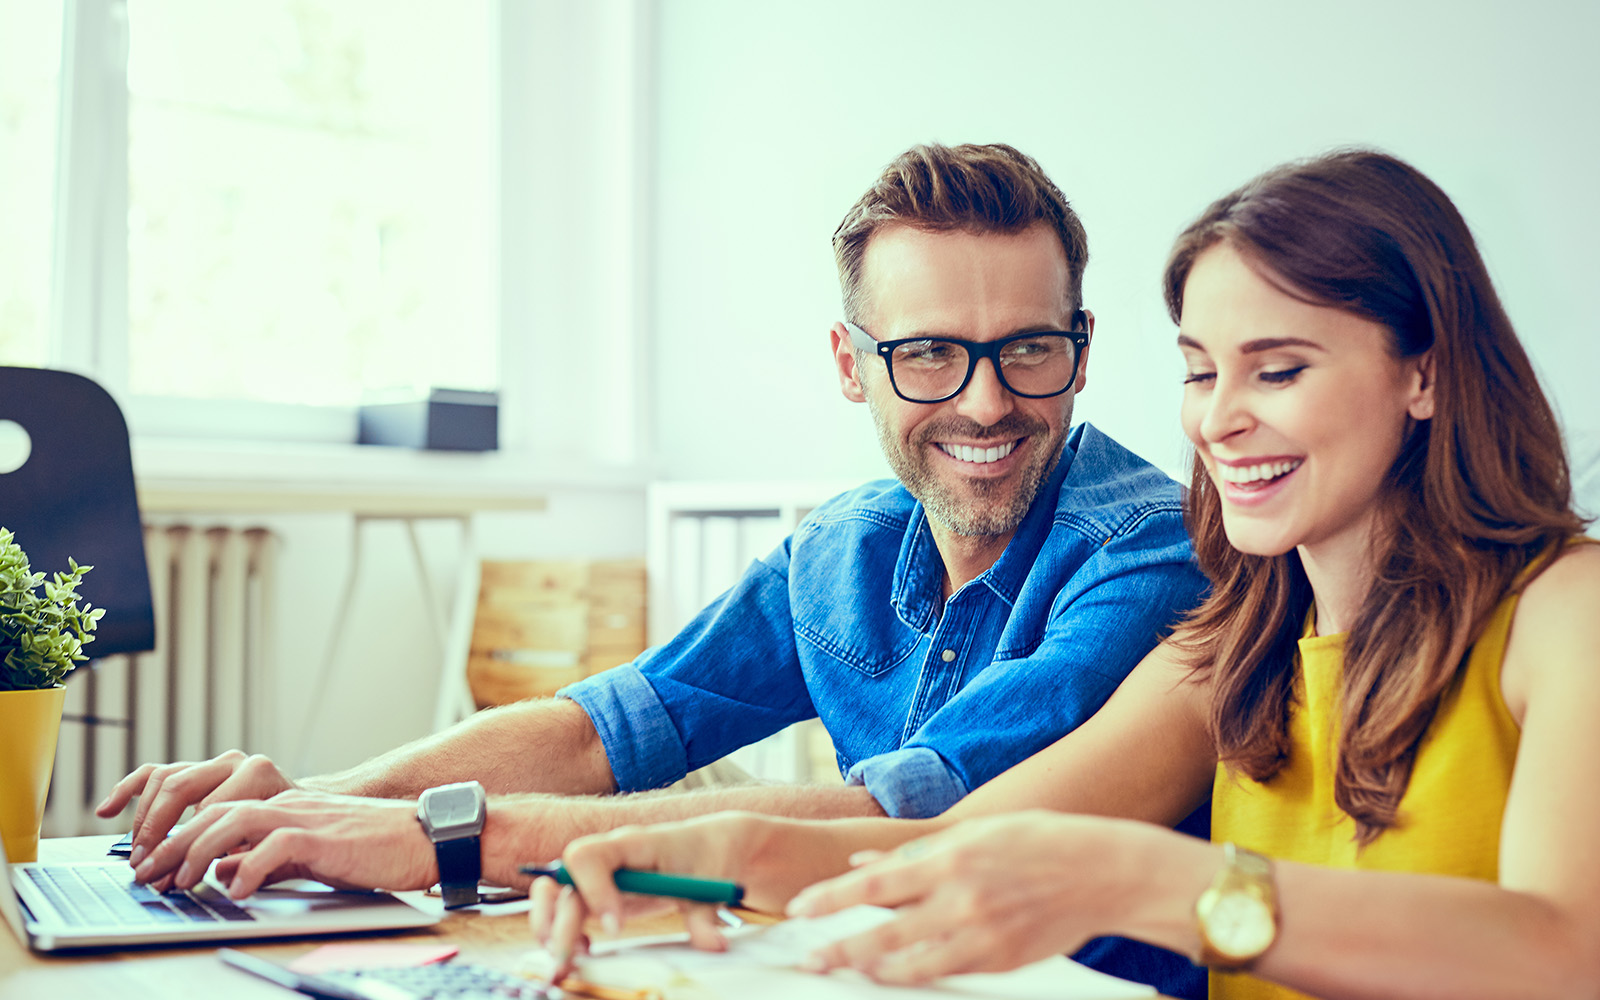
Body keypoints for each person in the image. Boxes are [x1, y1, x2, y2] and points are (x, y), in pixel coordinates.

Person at [99, 144, 1209, 996]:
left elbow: (914, 811)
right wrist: (315, 800)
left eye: (1027, 347)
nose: (983, 400)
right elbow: (605, 728)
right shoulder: (843, 545)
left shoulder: (1147, 549)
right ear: (849, 363)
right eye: (925, 353)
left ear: (1082, 347)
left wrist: (438, 834)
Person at [530, 149, 1600, 1000]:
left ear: (1424, 372)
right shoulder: (1235, 645)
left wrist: (1150, 880)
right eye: (1196, 370)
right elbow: (956, 844)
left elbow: (1563, 954)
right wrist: (692, 849)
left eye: (1276, 369)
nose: (1217, 419)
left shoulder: (1565, 613)